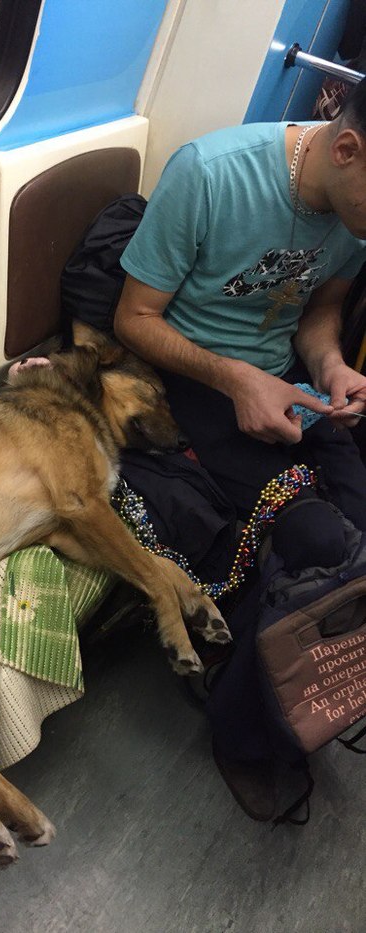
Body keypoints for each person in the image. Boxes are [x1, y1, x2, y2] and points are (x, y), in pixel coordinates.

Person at [112, 79, 366, 818]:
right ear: (347, 150)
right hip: (191, 379)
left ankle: (297, 673)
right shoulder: (211, 173)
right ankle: (242, 731)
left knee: (357, 526)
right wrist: (234, 379)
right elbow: (134, 318)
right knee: (317, 538)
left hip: (284, 382)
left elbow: (317, 317)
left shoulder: (353, 213)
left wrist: (332, 368)